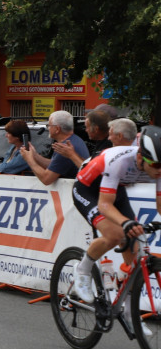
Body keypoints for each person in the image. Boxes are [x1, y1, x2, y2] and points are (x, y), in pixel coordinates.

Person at [68, 122, 161, 318]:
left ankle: (129, 314)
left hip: (115, 189)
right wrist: (125, 222)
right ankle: (83, 269)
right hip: (87, 189)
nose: (159, 171)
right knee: (115, 234)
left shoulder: (157, 166)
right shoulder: (118, 160)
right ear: (139, 157)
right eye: (155, 165)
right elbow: (104, 205)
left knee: (134, 254)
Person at [19, 110, 88, 184]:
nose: (48, 128)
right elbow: (54, 165)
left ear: (57, 129)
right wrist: (34, 155)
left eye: (49, 125)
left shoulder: (65, 148)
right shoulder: (74, 140)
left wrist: (29, 160)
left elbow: (46, 179)